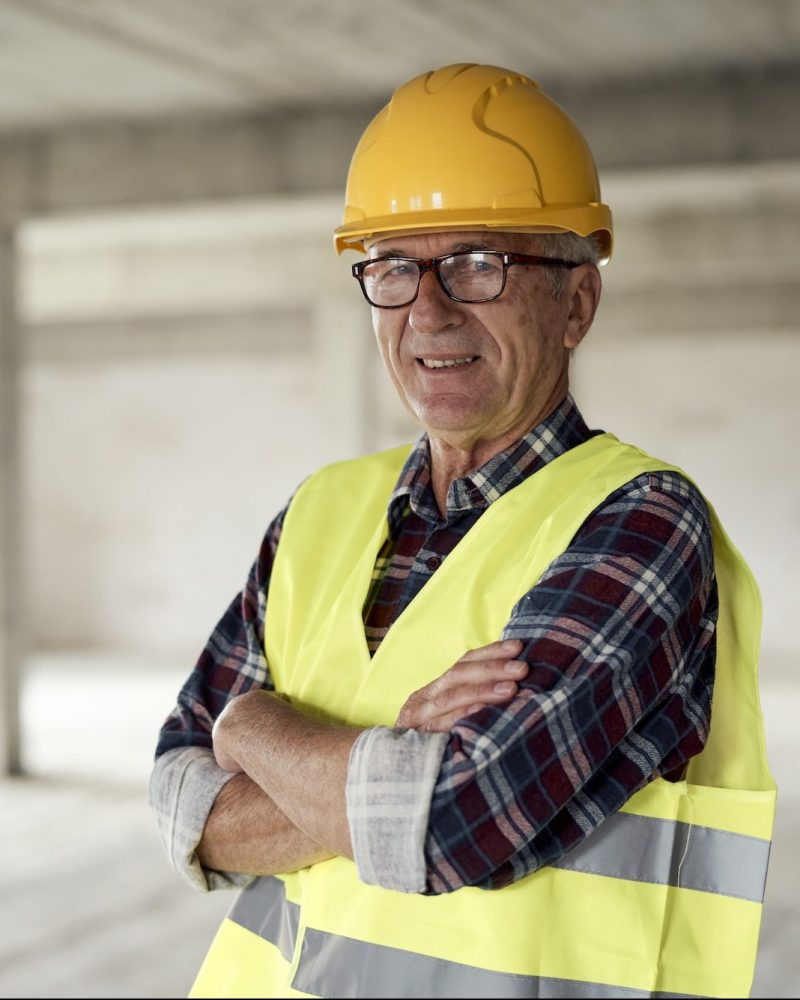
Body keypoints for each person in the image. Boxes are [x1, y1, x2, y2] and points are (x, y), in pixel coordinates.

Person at [150, 64, 775, 999]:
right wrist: (381, 756)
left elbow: (451, 822)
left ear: (576, 303)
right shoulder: (320, 511)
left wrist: (251, 726)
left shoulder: (640, 524)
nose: (430, 310)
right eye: (395, 268)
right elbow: (179, 807)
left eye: (480, 263)